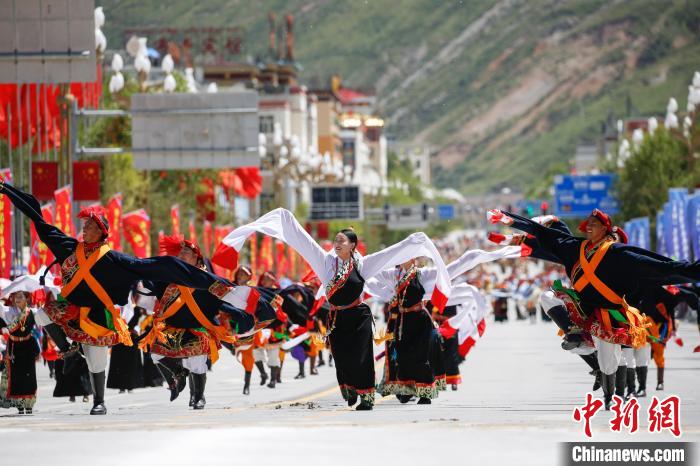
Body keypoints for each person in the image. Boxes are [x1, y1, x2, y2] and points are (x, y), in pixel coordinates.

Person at [0, 182, 255, 415]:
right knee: (43, 313)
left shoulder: (116, 260)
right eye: (84, 225)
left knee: (97, 359)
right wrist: (7, 190)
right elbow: (38, 219)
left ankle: (99, 401)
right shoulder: (68, 247)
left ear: (101, 232)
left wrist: (217, 286)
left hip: (99, 313)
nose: (84, 229)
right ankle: (68, 352)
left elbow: (160, 265)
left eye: (89, 226)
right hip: (72, 307)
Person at [212, 208, 453, 410]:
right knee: (342, 357)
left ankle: (366, 397)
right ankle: (350, 390)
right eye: (335, 240)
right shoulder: (324, 262)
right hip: (337, 317)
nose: (336, 243)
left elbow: (392, 253)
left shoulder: (364, 264)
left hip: (358, 316)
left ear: (352, 245)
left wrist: (417, 240)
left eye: (342, 241)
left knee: (362, 357)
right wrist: (283, 217)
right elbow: (300, 239)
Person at [488, 207, 700, 409]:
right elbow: (543, 234)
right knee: (548, 297)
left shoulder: (621, 254)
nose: (589, 227)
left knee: (610, 362)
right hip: (582, 309)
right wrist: (508, 220)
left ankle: (613, 396)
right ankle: (574, 334)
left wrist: (692, 271)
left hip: (611, 314)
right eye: (587, 223)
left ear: (606, 231)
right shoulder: (575, 248)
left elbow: (662, 267)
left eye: (594, 224)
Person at [139, 235, 274, 410]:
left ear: (197, 258)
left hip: (199, 327)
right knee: (156, 353)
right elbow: (150, 286)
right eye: (180, 252)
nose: (182, 254)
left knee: (197, 361)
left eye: (187, 252)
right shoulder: (168, 276)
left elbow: (222, 301)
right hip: (172, 327)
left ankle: (198, 397)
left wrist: (237, 314)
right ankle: (178, 375)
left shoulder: (207, 279)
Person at [0, 290, 40, 414]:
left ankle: (28, 404)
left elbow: (42, 320)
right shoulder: (9, 311)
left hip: (27, 346)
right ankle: (19, 404)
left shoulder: (32, 312)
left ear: (26, 298)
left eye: (20, 297)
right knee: (16, 376)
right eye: (15, 297)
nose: (17, 299)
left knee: (29, 376)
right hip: (14, 346)